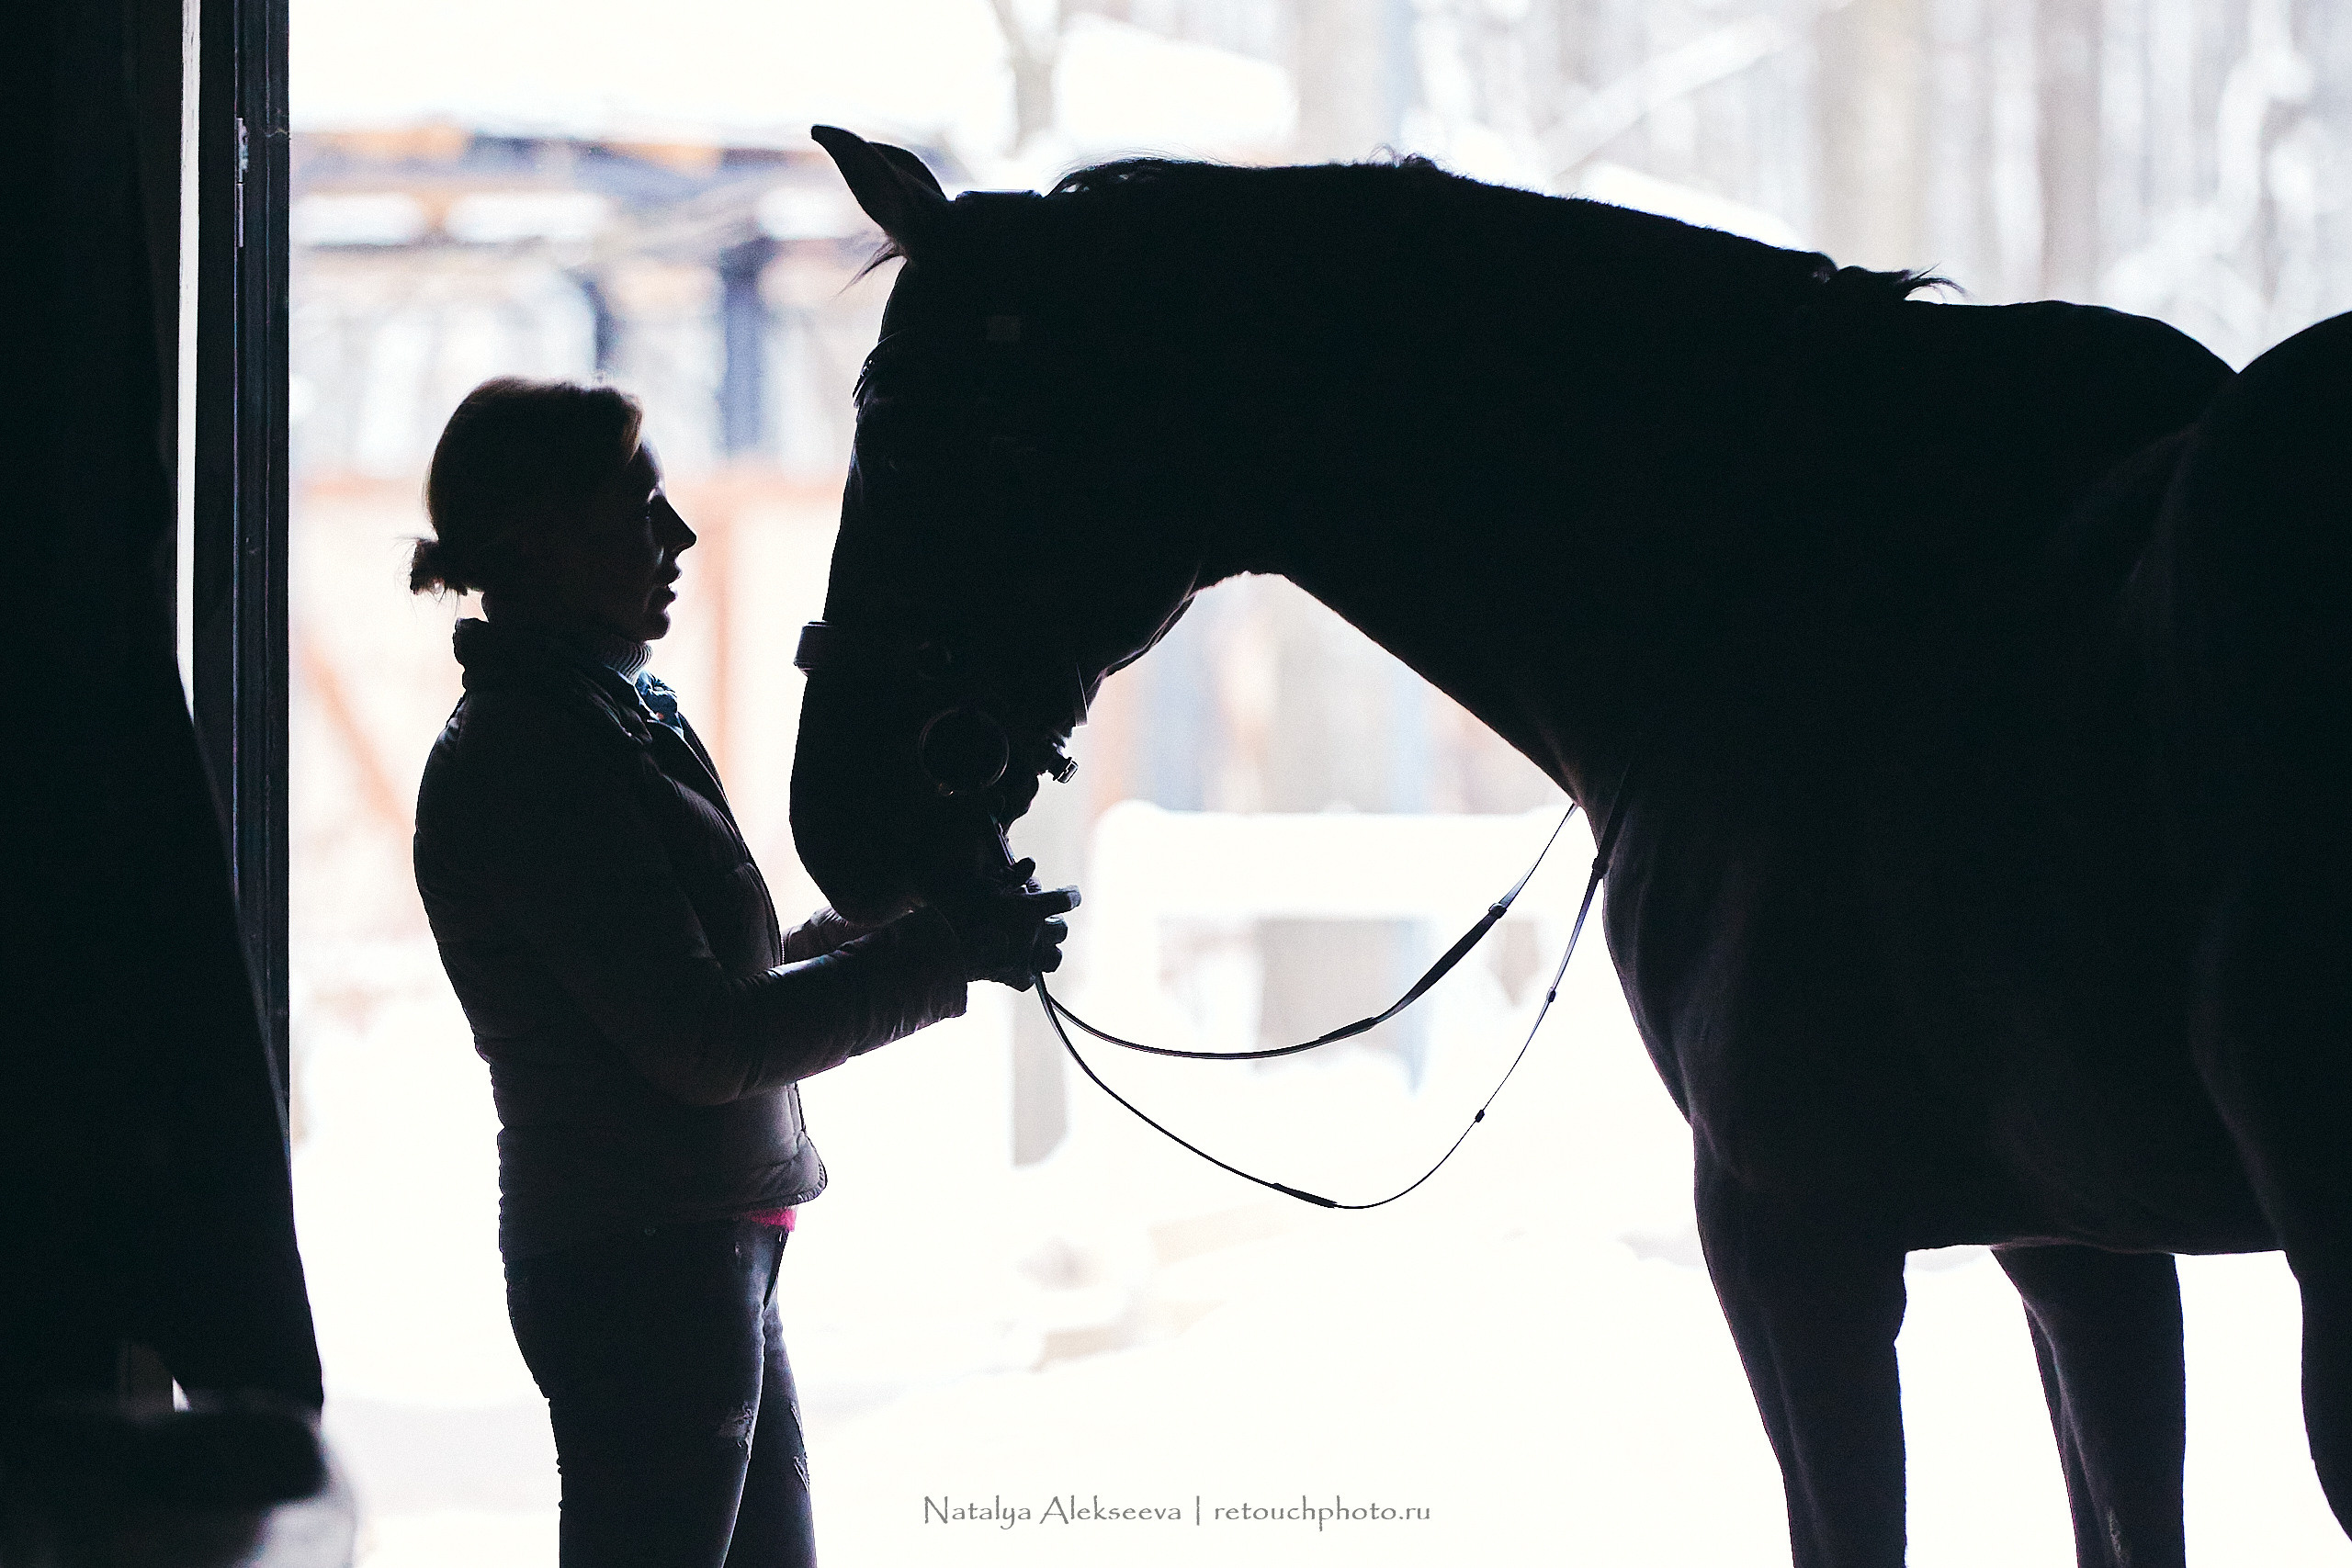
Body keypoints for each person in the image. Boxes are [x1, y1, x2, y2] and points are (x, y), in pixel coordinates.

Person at [408, 378, 1074, 1567]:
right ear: (533, 536)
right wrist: (941, 956)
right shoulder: (533, 758)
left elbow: (734, 984)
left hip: (682, 1249)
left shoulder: (605, 717)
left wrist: (924, 929)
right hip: (646, 1265)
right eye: (639, 507)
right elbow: (708, 1045)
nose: (679, 538)